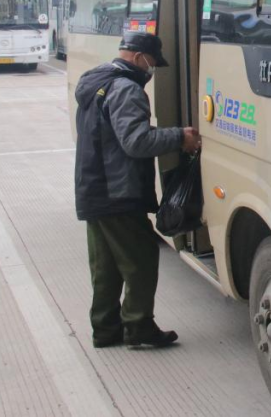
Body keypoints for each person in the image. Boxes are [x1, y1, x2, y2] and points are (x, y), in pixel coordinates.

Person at [73, 31, 201, 348]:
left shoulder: (97, 80)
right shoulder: (126, 88)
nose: (152, 69)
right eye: (152, 62)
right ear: (139, 57)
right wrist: (179, 137)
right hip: (118, 192)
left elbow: (116, 134)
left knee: (106, 266)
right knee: (141, 257)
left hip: (93, 189)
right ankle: (138, 325)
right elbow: (136, 142)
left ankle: (105, 329)